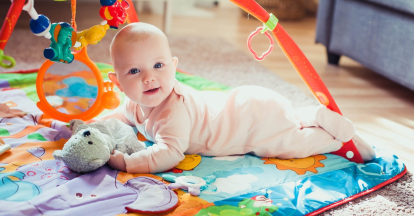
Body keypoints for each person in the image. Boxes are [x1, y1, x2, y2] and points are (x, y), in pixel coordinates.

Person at [106, 22, 375, 173]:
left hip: (249, 124)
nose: (149, 78)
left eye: (159, 66)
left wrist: (128, 163)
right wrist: (94, 129)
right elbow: (120, 116)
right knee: (288, 117)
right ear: (117, 82)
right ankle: (310, 114)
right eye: (134, 71)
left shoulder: (173, 111)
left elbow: (168, 154)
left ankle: (335, 140)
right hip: (247, 101)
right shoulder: (133, 103)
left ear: (174, 66)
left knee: (290, 145)